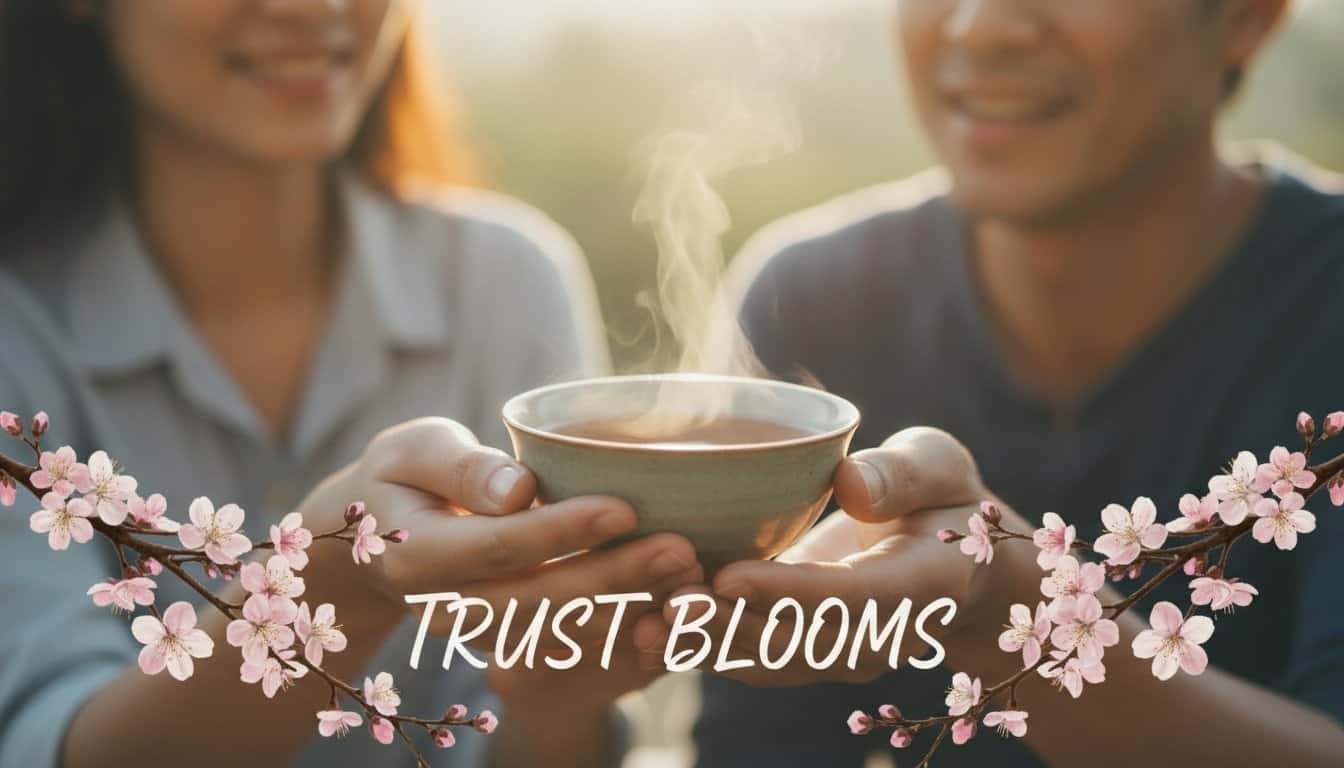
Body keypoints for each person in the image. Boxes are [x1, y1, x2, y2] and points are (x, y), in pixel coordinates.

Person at [0, 2, 696, 767]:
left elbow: (525, 729)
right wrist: (328, 584)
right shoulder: (17, 332)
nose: (310, 7)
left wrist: (557, 698)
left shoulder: (504, 282)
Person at [670, 0, 1344, 765]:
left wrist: (1005, 609)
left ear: (1247, 17)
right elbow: (760, 747)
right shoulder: (820, 298)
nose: (980, 25)